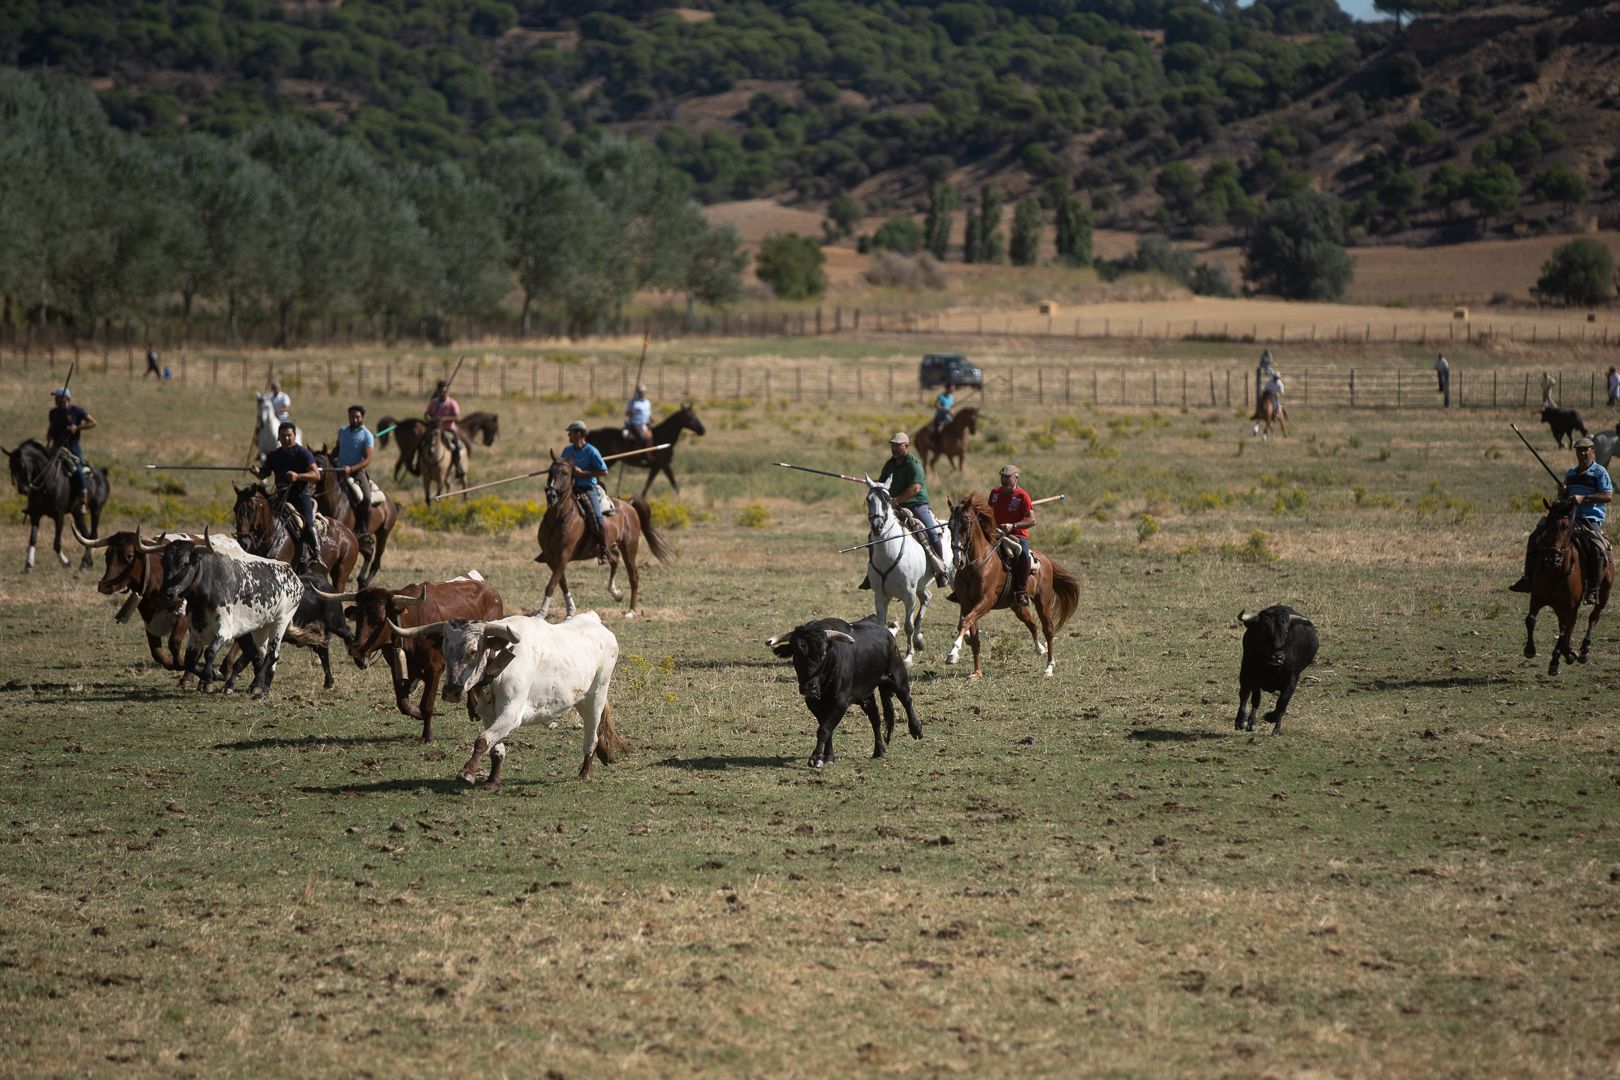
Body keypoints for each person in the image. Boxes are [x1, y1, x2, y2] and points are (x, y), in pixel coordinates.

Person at [1509, 436, 1612, 602]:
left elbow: (1607, 496)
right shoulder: (1571, 473)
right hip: (1568, 516)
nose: (1583, 453)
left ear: (1593, 451)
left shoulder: (1600, 472)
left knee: (1596, 547)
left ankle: (1592, 589)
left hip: (1589, 518)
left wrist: (1583, 498)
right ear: (1576, 453)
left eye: (1586, 449)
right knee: (1536, 536)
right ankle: (1528, 578)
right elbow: (1565, 498)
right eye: (1580, 450)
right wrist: (1563, 493)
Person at [866, 432, 951, 589]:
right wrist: (874, 485)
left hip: (917, 505)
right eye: (893, 445)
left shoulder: (914, 464)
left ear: (906, 446)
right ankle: (871, 575)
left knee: (931, 532)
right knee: (874, 534)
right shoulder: (890, 464)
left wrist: (896, 500)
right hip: (895, 506)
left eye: (898, 446)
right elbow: (883, 483)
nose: (894, 449)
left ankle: (941, 571)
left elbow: (915, 488)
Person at [250, 422, 323, 572]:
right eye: (283, 436)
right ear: (279, 437)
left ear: (295, 436)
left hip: (301, 496)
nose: (286, 438)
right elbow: (265, 473)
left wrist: (298, 476)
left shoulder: (303, 453)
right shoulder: (274, 455)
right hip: (281, 496)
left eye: (289, 435)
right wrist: (257, 471)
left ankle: (316, 554)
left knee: (307, 524)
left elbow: (316, 475)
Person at [562, 420, 611, 564]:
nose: (569, 437)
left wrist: (583, 473)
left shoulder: (591, 451)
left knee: (596, 517)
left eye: (570, 433)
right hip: (571, 488)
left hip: (588, 488)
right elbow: (562, 465)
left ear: (578, 434)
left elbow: (604, 471)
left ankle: (604, 550)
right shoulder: (567, 451)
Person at [988, 463, 1036, 606]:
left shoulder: (1022, 496)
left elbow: (1032, 520)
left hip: (1016, 535)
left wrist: (1012, 526)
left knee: (1023, 555)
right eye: (1002, 477)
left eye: (1008, 478)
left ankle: (1021, 591)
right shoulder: (995, 493)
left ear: (1016, 478)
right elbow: (988, 512)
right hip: (995, 533)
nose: (1004, 480)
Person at [333, 404, 377, 555]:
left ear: (362, 417)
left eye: (357, 416)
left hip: (356, 472)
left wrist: (351, 469)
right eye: (352, 416)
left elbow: (368, 459)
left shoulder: (367, 435)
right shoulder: (342, 431)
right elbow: (337, 449)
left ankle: (364, 531)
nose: (354, 419)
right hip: (339, 470)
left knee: (366, 497)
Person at [45, 387, 96, 513]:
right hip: (57, 447)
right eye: (55, 398)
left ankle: (83, 500)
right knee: (43, 467)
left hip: (72, 447)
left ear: (65, 398)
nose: (55, 400)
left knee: (77, 469)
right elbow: (51, 427)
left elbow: (93, 422)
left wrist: (77, 427)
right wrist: (49, 437)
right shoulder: (53, 412)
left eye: (57, 397)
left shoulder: (76, 411)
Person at [418, 379, 464, 477]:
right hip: (434, 428)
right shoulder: (434, 402)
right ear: (438, 391)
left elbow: (457, 417)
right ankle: (419, 464)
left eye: (445, 391)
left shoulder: (452, 403)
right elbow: (426, 414)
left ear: (448, 391)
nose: (443, 393)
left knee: (455, 444)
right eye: (441, 391)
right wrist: (430, 419)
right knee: (422, 442)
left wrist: (444, 419)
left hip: (448, 428)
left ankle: (458, 465)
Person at [625, 384, 653, 448]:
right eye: (640, 392)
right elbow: (627, 414)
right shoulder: (632, 402)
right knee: (641, 437)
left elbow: (648, 413)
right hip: (635, 424)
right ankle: (637, 453)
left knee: (651, 437)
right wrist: (631, 412)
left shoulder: (647, 402)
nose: (642, 393)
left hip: (646, 423)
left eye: (643, 392)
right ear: (638, 392)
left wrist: (651, 418)